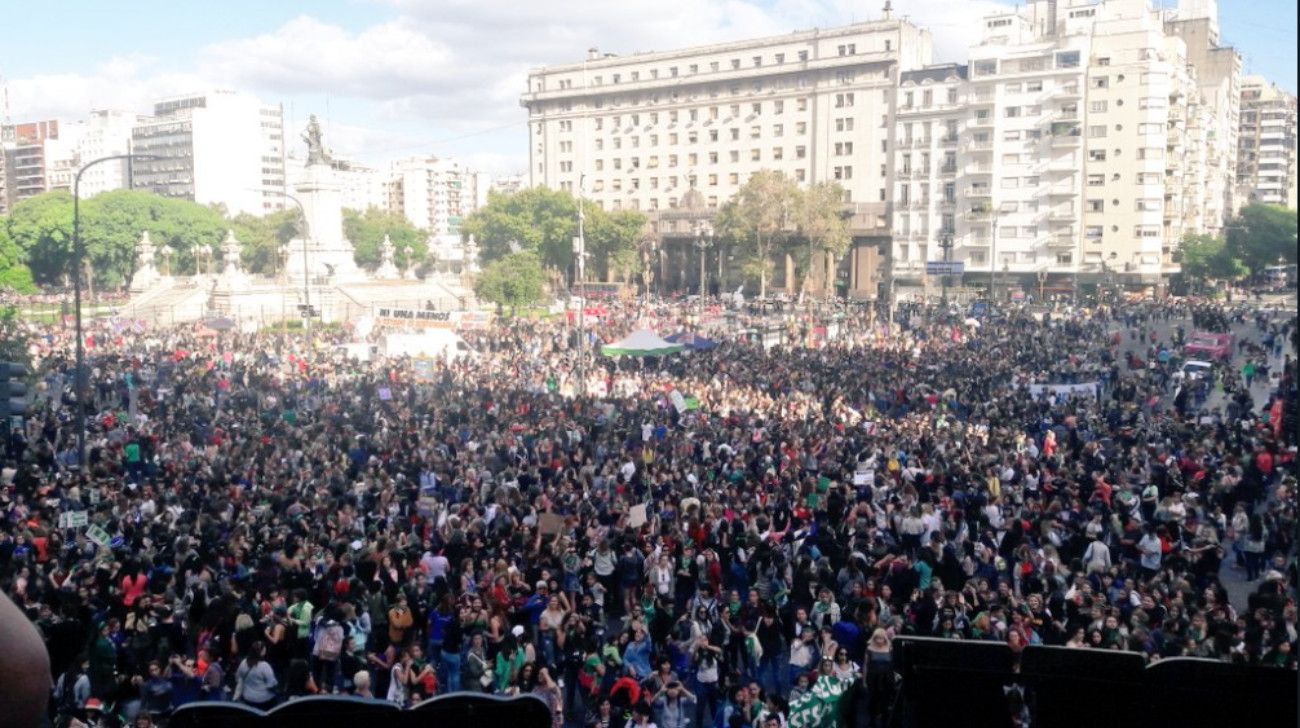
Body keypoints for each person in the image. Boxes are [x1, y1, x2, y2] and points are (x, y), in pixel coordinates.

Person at [235, 642, 279, 710]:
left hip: (248, 698)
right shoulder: (265, 666)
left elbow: (238, 677)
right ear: (262, 652)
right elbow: (271, 684)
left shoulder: (243, 662)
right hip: (264, 699)